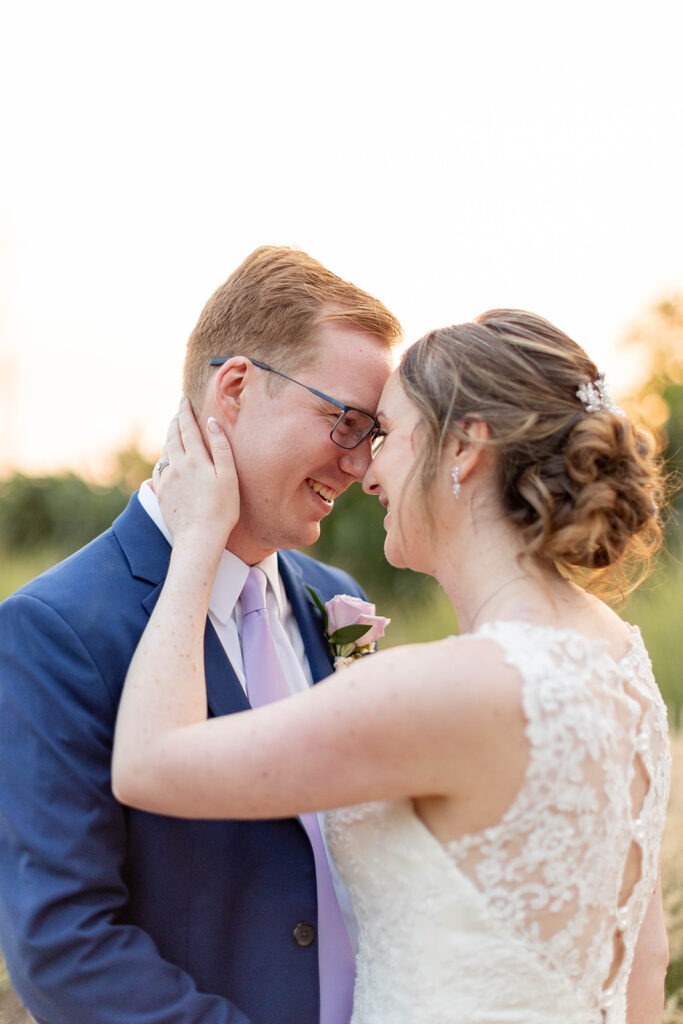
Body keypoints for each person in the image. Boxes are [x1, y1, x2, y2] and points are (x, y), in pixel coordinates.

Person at [113, 309, 671, 1024]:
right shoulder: (621, 660)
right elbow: (640, 960)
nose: (366, 469)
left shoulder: (447, 686)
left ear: (464, 446)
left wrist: (196, 536)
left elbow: (149, 764)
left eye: (388, 436)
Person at [0, 246, 402, 1024]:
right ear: (236, 389)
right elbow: (66, 948)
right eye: (343, 421)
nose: (356, 464)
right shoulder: (53, 630)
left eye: (372, 435)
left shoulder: (336, 599)